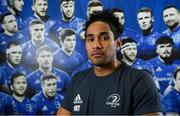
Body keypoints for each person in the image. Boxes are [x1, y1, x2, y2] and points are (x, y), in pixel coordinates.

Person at [57, 10, 163, 115]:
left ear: (117, 44)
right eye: (90, 39)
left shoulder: (139, 80)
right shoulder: (77, 80)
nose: (96, 45)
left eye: (104, 38)